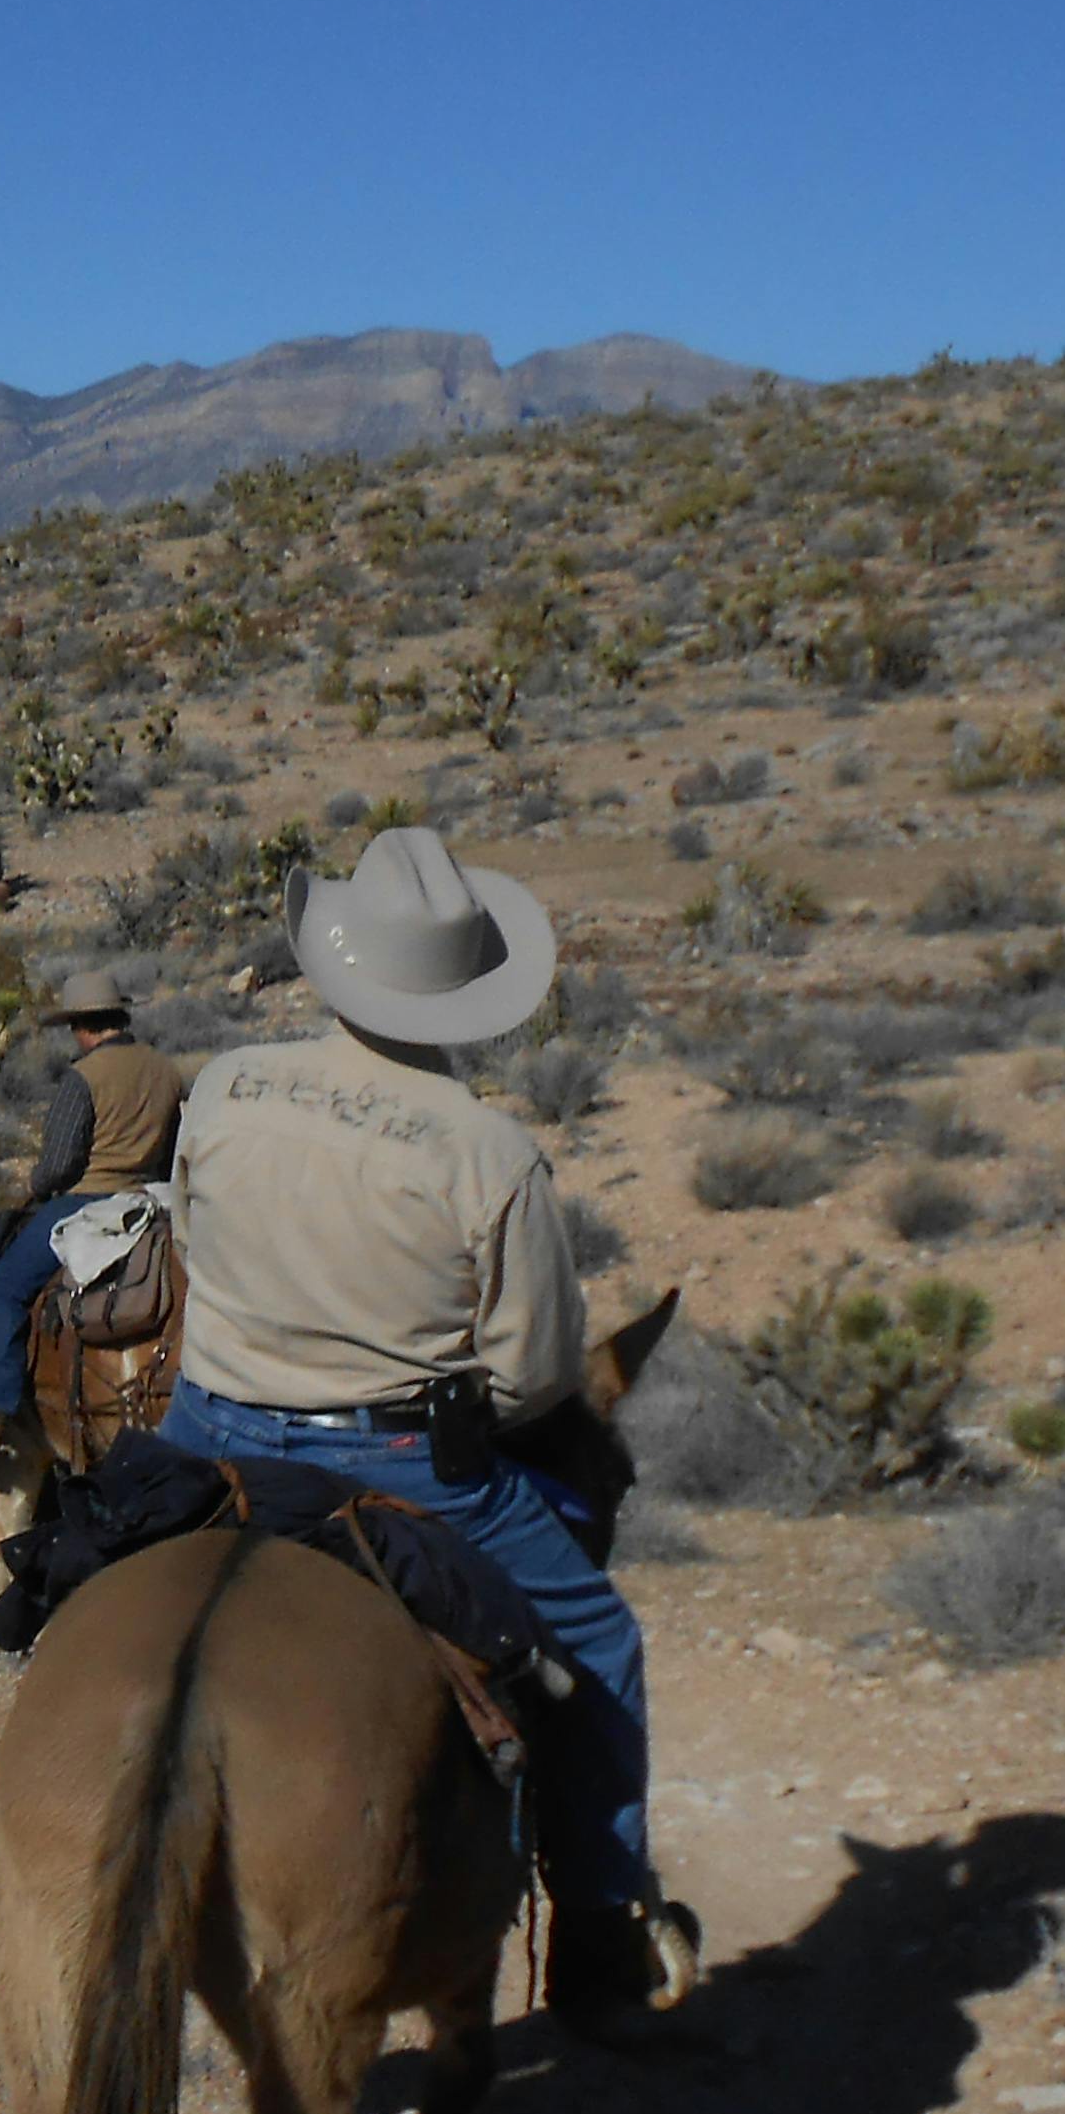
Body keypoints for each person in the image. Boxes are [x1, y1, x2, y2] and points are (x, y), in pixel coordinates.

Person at [160, 826, 690, 2018]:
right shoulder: (488, 1151)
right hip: (399, 1459)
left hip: (205, 1433)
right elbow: (537, 1374)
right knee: (602, 1646)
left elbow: (192, 1244)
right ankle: (602, 1920)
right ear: (464, 988)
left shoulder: (229, 1085)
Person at [0, 967, 185, 1421]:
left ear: (82, 1026)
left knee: (3, 1288)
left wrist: (37, 1186)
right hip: (151, 1198)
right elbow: (175, 1146)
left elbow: (60, 1165)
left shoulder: (83, 1076)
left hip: (88, 1200)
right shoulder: (167, 1069)